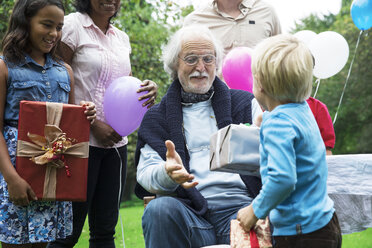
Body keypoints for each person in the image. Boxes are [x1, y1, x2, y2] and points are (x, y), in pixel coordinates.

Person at [135, 25, 263, 248]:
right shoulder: (157, 118)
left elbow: (275, 157)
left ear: (216, 63)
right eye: (191, 59)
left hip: (242, 212)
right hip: (190, 212)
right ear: (175, 64)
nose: (201, 68)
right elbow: (145, 173)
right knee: (159, 209)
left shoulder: (244, 103)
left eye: (208, 59)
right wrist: (168, 173)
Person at [47, 0, 158, 247]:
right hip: (78, 143)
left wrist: (147, 88)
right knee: (67, 233)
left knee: (105, 232)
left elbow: (124, 86)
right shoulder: (73, 25)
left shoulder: (122, 38)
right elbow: (57, 78)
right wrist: (93, 124)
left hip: (116, 146)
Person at [0, 0, 96, 247]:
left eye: (59, 27)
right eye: (47, 25)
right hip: (15, 171)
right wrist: (11, 179)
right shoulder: (4, 67)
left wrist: (85, 114)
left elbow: (70, 127)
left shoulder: (65, 71)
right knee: (15, 241)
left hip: (52, 172)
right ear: (25, 22)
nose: (54, 34)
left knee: (43, 243)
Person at [236, 34, 342, 247]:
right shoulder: (303, 110)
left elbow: (282, 179)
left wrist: (254, 211)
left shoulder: (278, 123)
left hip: (301, 234)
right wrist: (266, 117)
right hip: (324, 223)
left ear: (261, 84)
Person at [183, 0, 282, 56]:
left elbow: (280, 58)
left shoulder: (267, 12)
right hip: (215, 92)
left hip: (259, 92)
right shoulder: (195, 21)